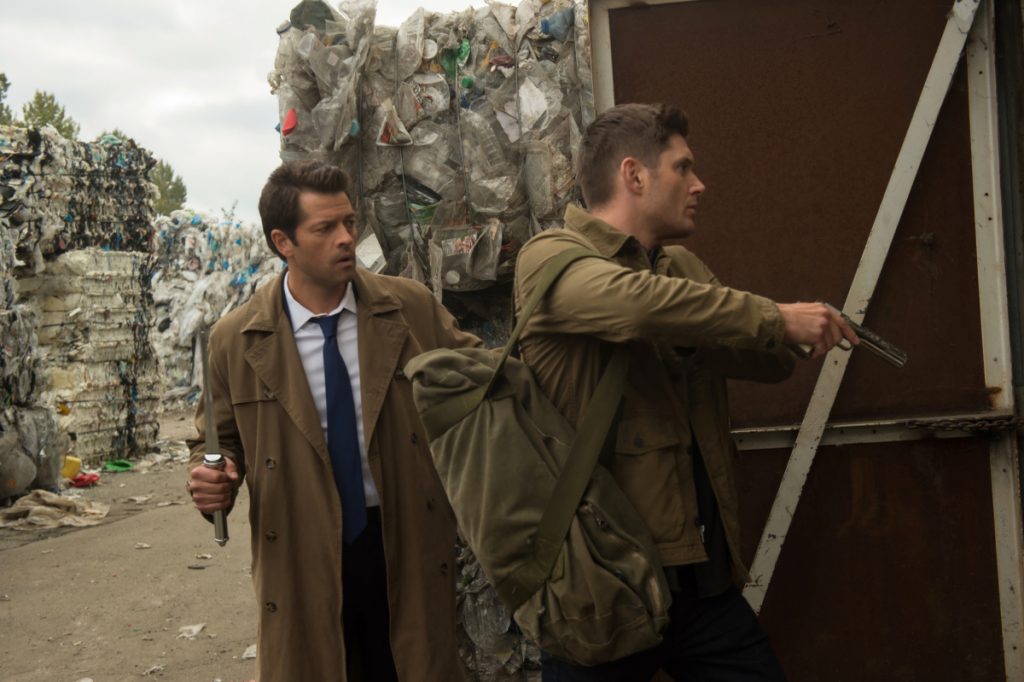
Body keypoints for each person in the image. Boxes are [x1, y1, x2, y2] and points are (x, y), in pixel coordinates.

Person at [513, 103, 858, 681]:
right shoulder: (550, 259)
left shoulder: (679, 267)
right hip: (602, 583)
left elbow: (769, 361)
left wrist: (777, 332)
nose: (699, 185)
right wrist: (775, 317)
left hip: (700, 579)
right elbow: (634, 307)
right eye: (683, 168)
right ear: (633, 175)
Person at [186, 159, 479, 681]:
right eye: (325, 228)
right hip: (302, 550)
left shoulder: (409, 309)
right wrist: (213, 476)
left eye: (348, 222)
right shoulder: (236, 340)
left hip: (402, 541)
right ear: (283, 242)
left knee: (414, 665)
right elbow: (216, 440)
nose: (346, 238)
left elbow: (480, 385)